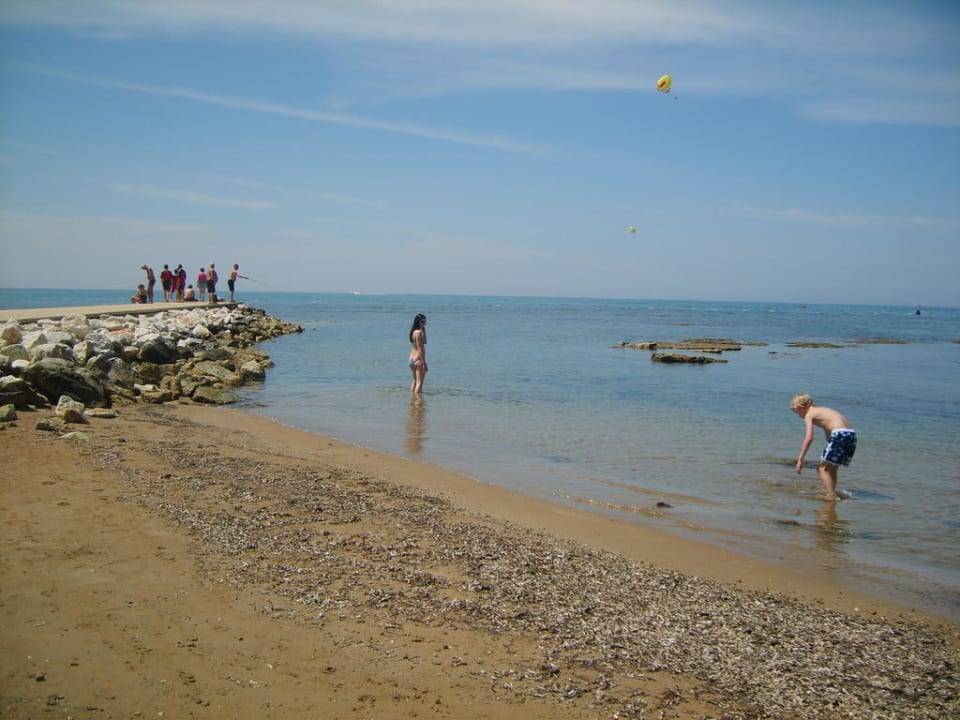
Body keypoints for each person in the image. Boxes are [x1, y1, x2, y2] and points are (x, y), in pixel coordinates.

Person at [791, 393, 857, 501]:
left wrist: (800, 459)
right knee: (832, 468)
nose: (799, 416)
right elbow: (828, 430)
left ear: (802, 407)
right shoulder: (823, 410)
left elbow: (809, 438)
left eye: (797, 412)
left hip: (839, 434)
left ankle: (831, 496)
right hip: (851, 435)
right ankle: (832, 491)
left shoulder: (809, 414)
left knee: (821, 468)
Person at [408, 313, 428, 393]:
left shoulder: (413, 332)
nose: (424, 323)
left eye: (425, 321)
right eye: (423, 322)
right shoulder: (418, 333)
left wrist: (423, 330)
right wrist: (424, 363)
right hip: (418, 359)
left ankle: (413, 399)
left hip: (411, 359)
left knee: (415, 381)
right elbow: (420, 348)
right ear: (418, 322)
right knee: (419, 383)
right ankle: (417, 402)